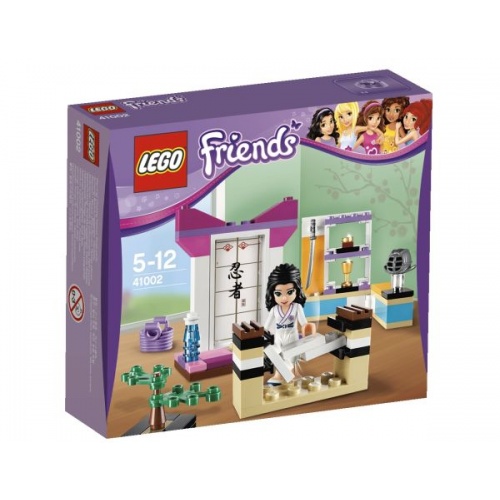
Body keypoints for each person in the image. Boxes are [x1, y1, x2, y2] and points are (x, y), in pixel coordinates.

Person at [264, 263, 316, 383]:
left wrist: (308, 327)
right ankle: (278, 375)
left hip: (292, 337)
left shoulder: (296, 307)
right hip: (279, 337)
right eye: (278, 294)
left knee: (291, 358)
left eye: (289, 292)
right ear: (272, 293)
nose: (284, 298)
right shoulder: (274, 310)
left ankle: (293, 375)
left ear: (296, 291)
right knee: (276, 355)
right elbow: (266, 326)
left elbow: (303, 323)